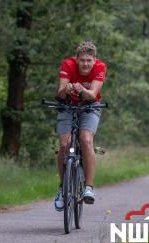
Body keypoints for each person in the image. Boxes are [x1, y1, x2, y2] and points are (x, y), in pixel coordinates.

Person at [54, 41, 106, 211]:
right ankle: (63, 189)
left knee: (86, 138)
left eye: (89, 60)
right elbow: (59, 93)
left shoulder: (100, 67)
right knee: (64, 144)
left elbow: (92, 94)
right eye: (82, 60)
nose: (85, 64)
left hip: (90, 106)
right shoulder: (68, 65)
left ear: (94, 60)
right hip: (68, 106)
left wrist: (81, 90)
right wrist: (66, 90)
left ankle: (89, 188)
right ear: (76, 59)